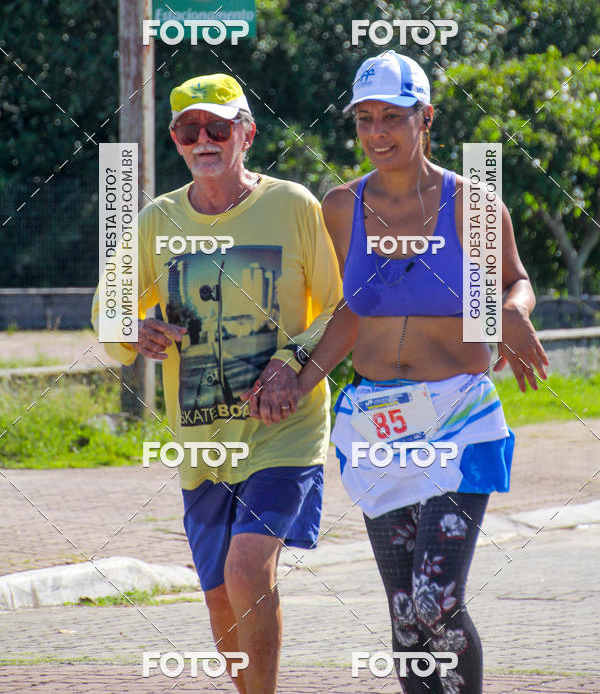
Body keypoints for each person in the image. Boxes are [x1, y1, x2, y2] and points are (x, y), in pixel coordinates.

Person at [289, 51, 549, 693]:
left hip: (458, 414)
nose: (378, 133)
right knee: (406, 619)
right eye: (366, 119)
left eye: (394, 118)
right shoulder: (342, 206)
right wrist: (299, 376)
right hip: (379, 420)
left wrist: (514, 313)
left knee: (434, 601)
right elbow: (349, 310)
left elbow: (515, 282)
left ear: (425, 118)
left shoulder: (470, 202)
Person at [92, 73, 342, 694]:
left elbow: (340, 310)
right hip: (202, 443)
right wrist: (137, 332)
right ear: (176, 140)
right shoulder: (157, 220)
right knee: (218, 599)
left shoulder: (294, 206)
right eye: (187, 129)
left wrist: (292, 363)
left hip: (284, 429)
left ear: (246, 134)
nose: (203, 140)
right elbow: (108, 310)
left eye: (218, 127)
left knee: (248, 566)